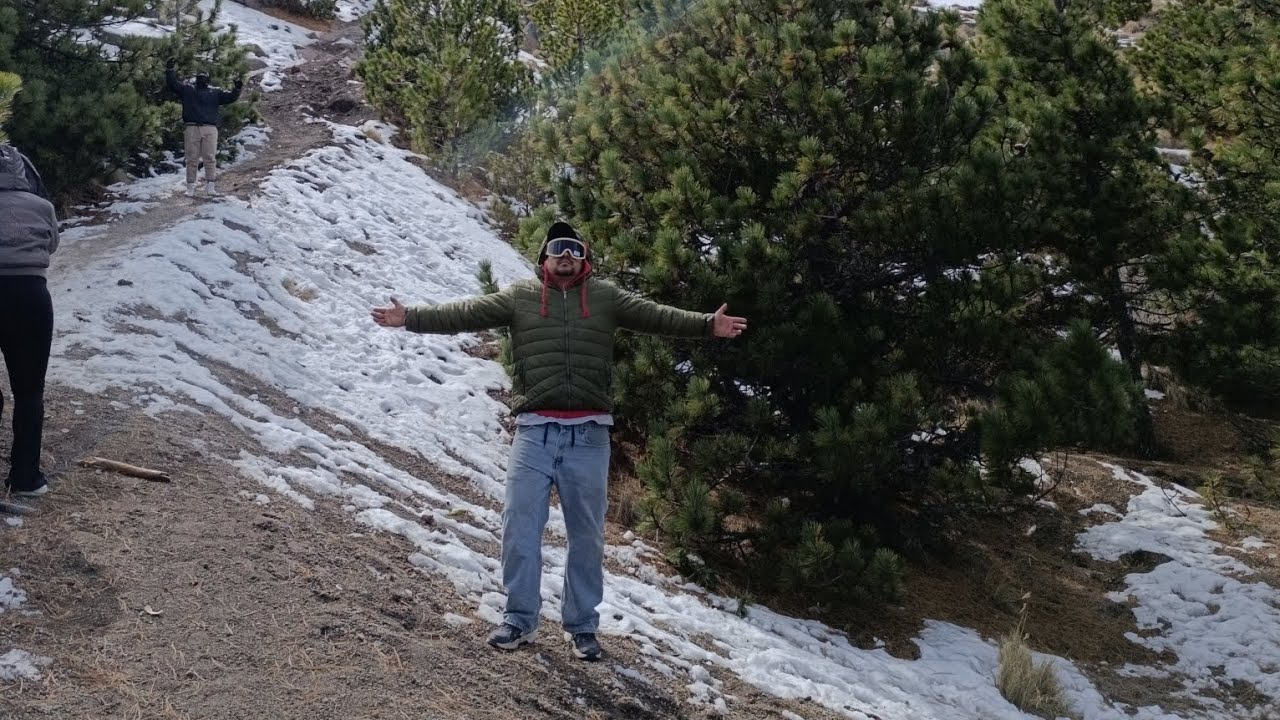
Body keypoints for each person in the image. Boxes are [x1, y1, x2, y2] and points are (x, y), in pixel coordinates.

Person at [371, 221, 747, 661]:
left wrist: (707, 325)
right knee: (519, 527)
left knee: (587, 537)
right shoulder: (519, 297)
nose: (566, 255)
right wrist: (411, 318)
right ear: (544, 258)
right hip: (534, 432)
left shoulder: (606, 297)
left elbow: (657, 316)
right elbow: (466, 313)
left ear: (585, 258)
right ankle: (519, 619)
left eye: (574, 249)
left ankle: (582, 626)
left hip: (589, 436)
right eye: (558, 248)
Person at [0, 144, 58, 497]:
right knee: (29, 390)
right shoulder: (42, 206)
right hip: (30, 296)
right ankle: (25, 477)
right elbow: (52, 245)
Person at [164, 58, 244, 197]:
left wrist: (237, 89)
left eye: (204, 77)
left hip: (209, 128)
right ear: (197, 79)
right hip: (192, 127)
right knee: (192, 158)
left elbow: (231, 97)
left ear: (208, 80)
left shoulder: (215, 92)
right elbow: (173, 84)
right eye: (200, 77)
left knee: (209, 157)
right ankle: (190, 187)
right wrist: (170, 70)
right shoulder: (188, 89)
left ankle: (210, 187)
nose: (202, 79)